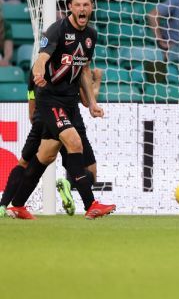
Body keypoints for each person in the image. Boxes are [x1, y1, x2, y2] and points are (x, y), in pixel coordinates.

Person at [5, 0, 116, 220]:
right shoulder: (57, 30)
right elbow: (42, 60)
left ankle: (16, 205)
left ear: (91, 7)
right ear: (70, 7)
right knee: (74, 142)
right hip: (50, 100)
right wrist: (37, 75)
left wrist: (92, 103)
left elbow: (84, 70)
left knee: (45, 156)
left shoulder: (91, 36)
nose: (82, 9)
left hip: (71, 103)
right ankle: (90, 204)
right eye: (78, 5)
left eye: (86, 4)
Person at [0, 67, 105, 217]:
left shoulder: (35, 69)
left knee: (28, 161)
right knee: (89, 171)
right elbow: (86, 100)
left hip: (41, 119)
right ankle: (70, 185)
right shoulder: (72, 68)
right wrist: (98, 81)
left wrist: (36, 121)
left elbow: (31, 97)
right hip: (68, 120)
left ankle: (4, 205)